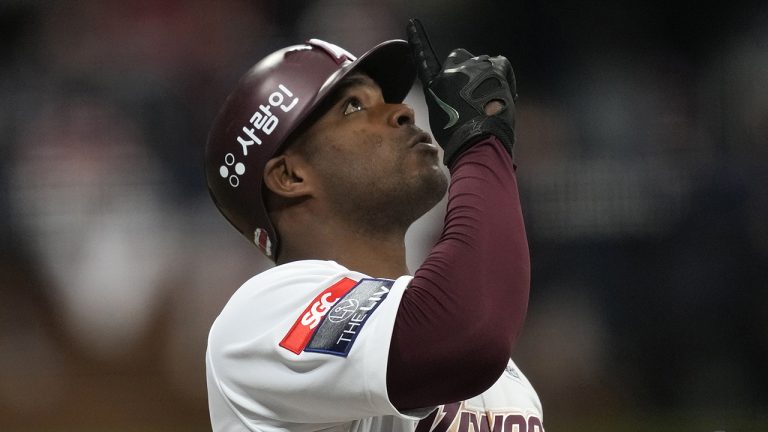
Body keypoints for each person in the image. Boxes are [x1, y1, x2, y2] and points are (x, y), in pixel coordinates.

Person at [204, 18, 544, 432]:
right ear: (290, 177)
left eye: (388, 99)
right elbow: (461, 336)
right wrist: (480, 142)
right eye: (354, 107)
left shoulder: (506, 376)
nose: (403, 111)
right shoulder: (262, 317)